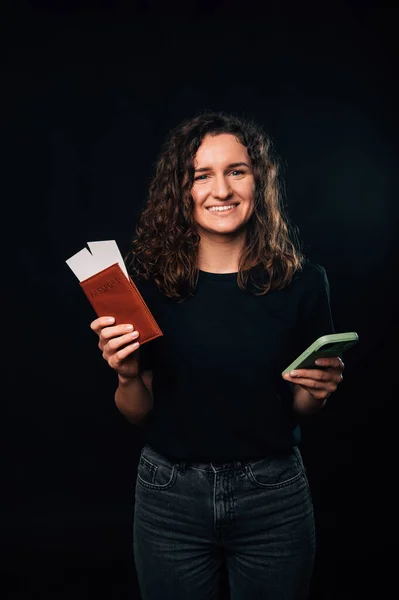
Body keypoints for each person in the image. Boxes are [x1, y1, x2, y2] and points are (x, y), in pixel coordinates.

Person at [90, 110, 344, 600]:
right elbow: (137, 412)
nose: (221, 191)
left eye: (237, 171)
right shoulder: (144, 285)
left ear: (259, 180)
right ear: (181, 190)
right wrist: (125, 376)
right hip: (169, 498)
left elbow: (300, 408)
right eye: (202, 175)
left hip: (273, 496)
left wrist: (318, 392)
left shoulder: (305, 282)